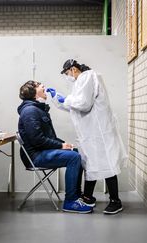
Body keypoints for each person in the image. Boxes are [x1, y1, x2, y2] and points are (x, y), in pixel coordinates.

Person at [46, 59, 128, 215]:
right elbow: (75, 106)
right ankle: (88, 196)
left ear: (73, 69)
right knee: (90, 163)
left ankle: (115, 201)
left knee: (107, 164)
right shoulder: (81, 81)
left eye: (66, 73)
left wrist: (67, 99)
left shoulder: (88, 76)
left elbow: (83, 103)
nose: (67, 76)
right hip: (90, 132)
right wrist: (58, 98)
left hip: (99, 131)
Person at [17, 80, 92, 213]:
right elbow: (37, 140)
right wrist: (60, 145)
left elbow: (47, 138)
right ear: (34, 93)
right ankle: (70, 201)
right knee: (74, 157)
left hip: (42, 151)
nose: (43, 86)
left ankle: (76, 195)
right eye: (39, 85)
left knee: (76, 152)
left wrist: (64, 145)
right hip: (35, 156)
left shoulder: (38, 109)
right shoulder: (30, 111)